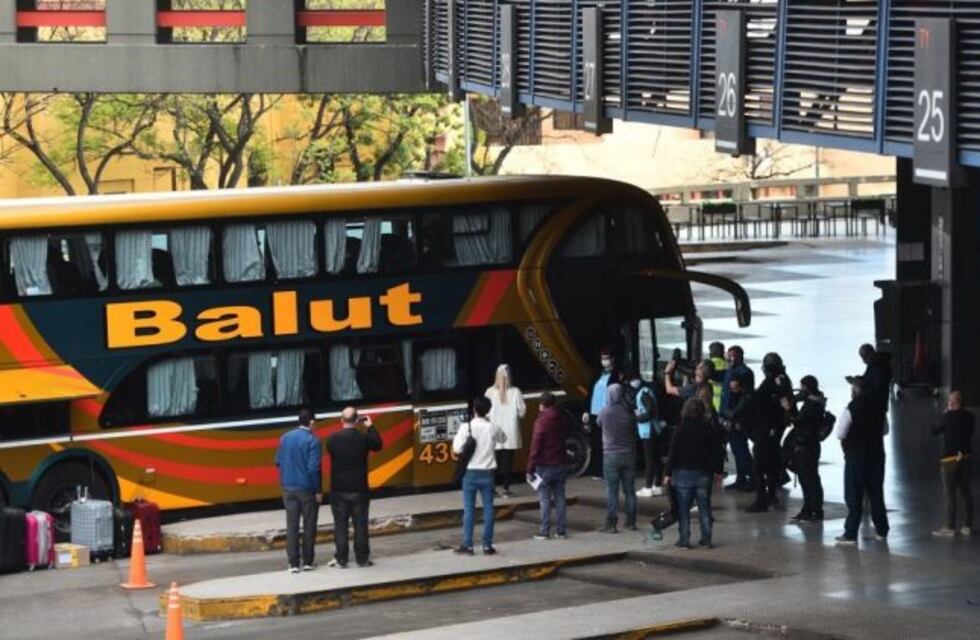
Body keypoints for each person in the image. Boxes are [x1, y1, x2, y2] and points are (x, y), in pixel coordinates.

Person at [326, 407, 383, 568]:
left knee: (340, 526)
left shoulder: (332, 439)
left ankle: (341, 559)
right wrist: (370, 426)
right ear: (357, 420)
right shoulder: (363, 439)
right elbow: (378, 445)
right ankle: (362, 559)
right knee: (360, 526)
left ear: (341, 420)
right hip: (359, 489)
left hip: (339, 489)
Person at [834, 380, 890, 546]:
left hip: (856, 456)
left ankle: (850, 533)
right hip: (876, 456)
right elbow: (885, 430)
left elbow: (840, 433)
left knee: (854, 495)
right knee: (876, 494)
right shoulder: (879, 407)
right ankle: (882, 530)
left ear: (856, 392)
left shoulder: (852, 408)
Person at [664, 399, 724, 549]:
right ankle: (706, 539)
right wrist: (718, 472)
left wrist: (667, 473)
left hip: (683, 474)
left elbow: (673, 453)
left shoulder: (679, 429)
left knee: (683, 509)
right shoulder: (708, 429)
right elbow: (717, 452)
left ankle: (684, 540)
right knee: (705, 507)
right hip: (704, 473)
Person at [453, 396, 507, 555]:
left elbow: (456, 449)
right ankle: (487, 545)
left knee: (469, 509)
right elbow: (504, 438)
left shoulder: (467, 427)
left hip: (470, 473)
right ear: (488, 411)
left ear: (474, 410)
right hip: (488, 473)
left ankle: (468, 545)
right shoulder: (492, 427)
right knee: (488, 508)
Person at [275, 407, 322, 573]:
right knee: (309, 524)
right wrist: (318, 490)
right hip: (307, 489)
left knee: (292, 526)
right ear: (312, 422)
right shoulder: (313, 441)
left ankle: (293, 563)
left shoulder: (285, 438)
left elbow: (278, 462)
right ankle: (308, 561)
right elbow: (313, 469)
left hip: (288, 488)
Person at [746, 353, 793, 513]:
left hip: (766, 429)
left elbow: (760, 401)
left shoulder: (772, 383)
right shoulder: (782, 381)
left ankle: (762, 500)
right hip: (775, 429)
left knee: (759, 467)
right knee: (772, 464)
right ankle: (771, 495)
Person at [526, 392, 570, 539]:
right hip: (560, 463)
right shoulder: (562, 419)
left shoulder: (541, 422)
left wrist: (530, 468)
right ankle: (561, 530)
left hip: (544, 465)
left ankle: (545, 531)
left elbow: (535, 447)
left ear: (541, 405)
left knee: (544, 499)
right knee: (560, 497)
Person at [931, 391, 974, 537]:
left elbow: (934, 431)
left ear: (953, 403)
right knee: (966, 492)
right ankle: (967, 526)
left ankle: (950, 527)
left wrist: (945, 414)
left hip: (949, 460)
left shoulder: (947, 417)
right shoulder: (970, 417)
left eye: (949, 401)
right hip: (965, 457)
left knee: (950, 494)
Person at [784, 375, 826, 522]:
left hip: (806, 446)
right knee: (810, 478)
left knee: (809, 479)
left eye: (802, 387)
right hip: (810, 445)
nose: (801, 390)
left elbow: (798, 421)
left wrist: (788, 408)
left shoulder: (811, 405)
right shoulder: (817, 401)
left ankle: (814, 510)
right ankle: (809, 509)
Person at [597, 383, 638, 533]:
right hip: (629, 454)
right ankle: (631, 522)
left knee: (612, 491)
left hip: (611, 455)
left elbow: (598, 423)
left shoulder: (605, 412)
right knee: (630, 490)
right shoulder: (629, 411)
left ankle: (611, 524)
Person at [486, 364, 526, 497]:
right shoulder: (516, 392)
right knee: (507, 462)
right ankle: (506, 489)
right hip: (510, 432)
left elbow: (485, 412)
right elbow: (522, 412)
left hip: (496, 431)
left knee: (493, 461)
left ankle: (491, 489)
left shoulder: (490, 392)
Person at [583, 347, 622, 477]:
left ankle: (609, 470)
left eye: (606, 358)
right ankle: (597, 470)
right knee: (596, 442)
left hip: (608, 413)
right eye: (602, 358)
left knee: (609, 442)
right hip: (595, 412)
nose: (604, 361)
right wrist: (586, 411)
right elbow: (590, 393)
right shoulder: (598, 374)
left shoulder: (617, 375)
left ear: (612, 359)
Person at [721, 346, 755, 491]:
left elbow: (746, 397)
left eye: (733, 356)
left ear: (740, 356)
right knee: (736, 450)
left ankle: (753, 479)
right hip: (729, 415)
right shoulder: (730, 371)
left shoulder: (745, 372)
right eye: (729, 356)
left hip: (738, 418)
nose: (730, 359)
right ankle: (741, 479)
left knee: (741, 450)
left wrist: (735, 416)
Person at [631, 372, 663, 498]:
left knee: (650, 459)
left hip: (648, 430)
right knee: (656, 458)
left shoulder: (643, 393)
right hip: (653, 429)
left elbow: (650, 411)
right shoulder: (647, 390)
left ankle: (648, 487)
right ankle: (657, 485)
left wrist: (637, 418)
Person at [707, 341, 727, 412]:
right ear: (723, 353)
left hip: (709, 403)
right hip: (725, 403)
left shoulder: (705, 366)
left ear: (711, 353)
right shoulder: (728, 366)